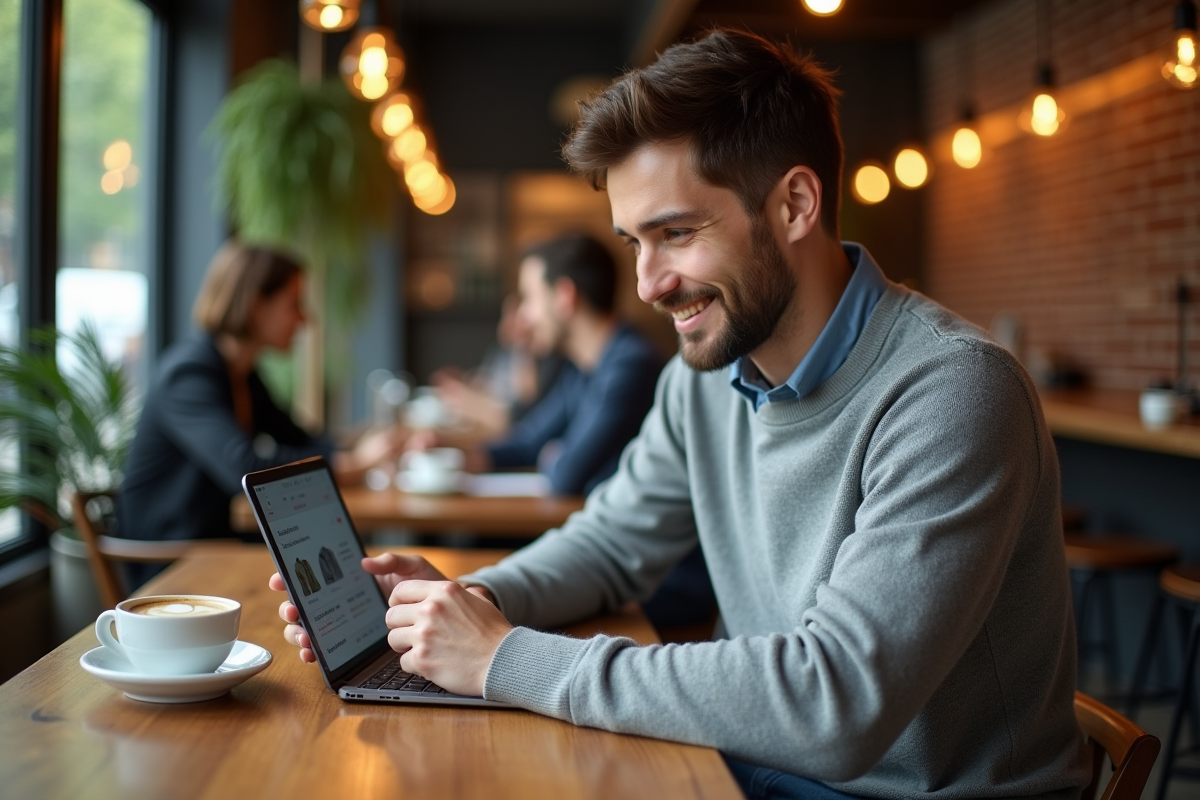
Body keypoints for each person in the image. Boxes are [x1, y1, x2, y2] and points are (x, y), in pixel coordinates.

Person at [272, 30, 1089, 799]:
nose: (648, 284)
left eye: (677, 233)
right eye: (635, 242)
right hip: (766, 766)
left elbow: (836, 703)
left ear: (795, 204)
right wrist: (467, 602)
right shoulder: (706, 378)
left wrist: (504, 657)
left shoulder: (952, 392)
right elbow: (610, 544)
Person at [120, 242, 403, 546]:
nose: (304, 319)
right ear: (256, 306)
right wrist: (356, 463)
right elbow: (246, 469)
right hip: (173, 554)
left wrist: (377, 442)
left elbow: (300, 439)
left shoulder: (242, 373)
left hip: (220, 539)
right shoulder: (187, 374)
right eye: (294, 304)